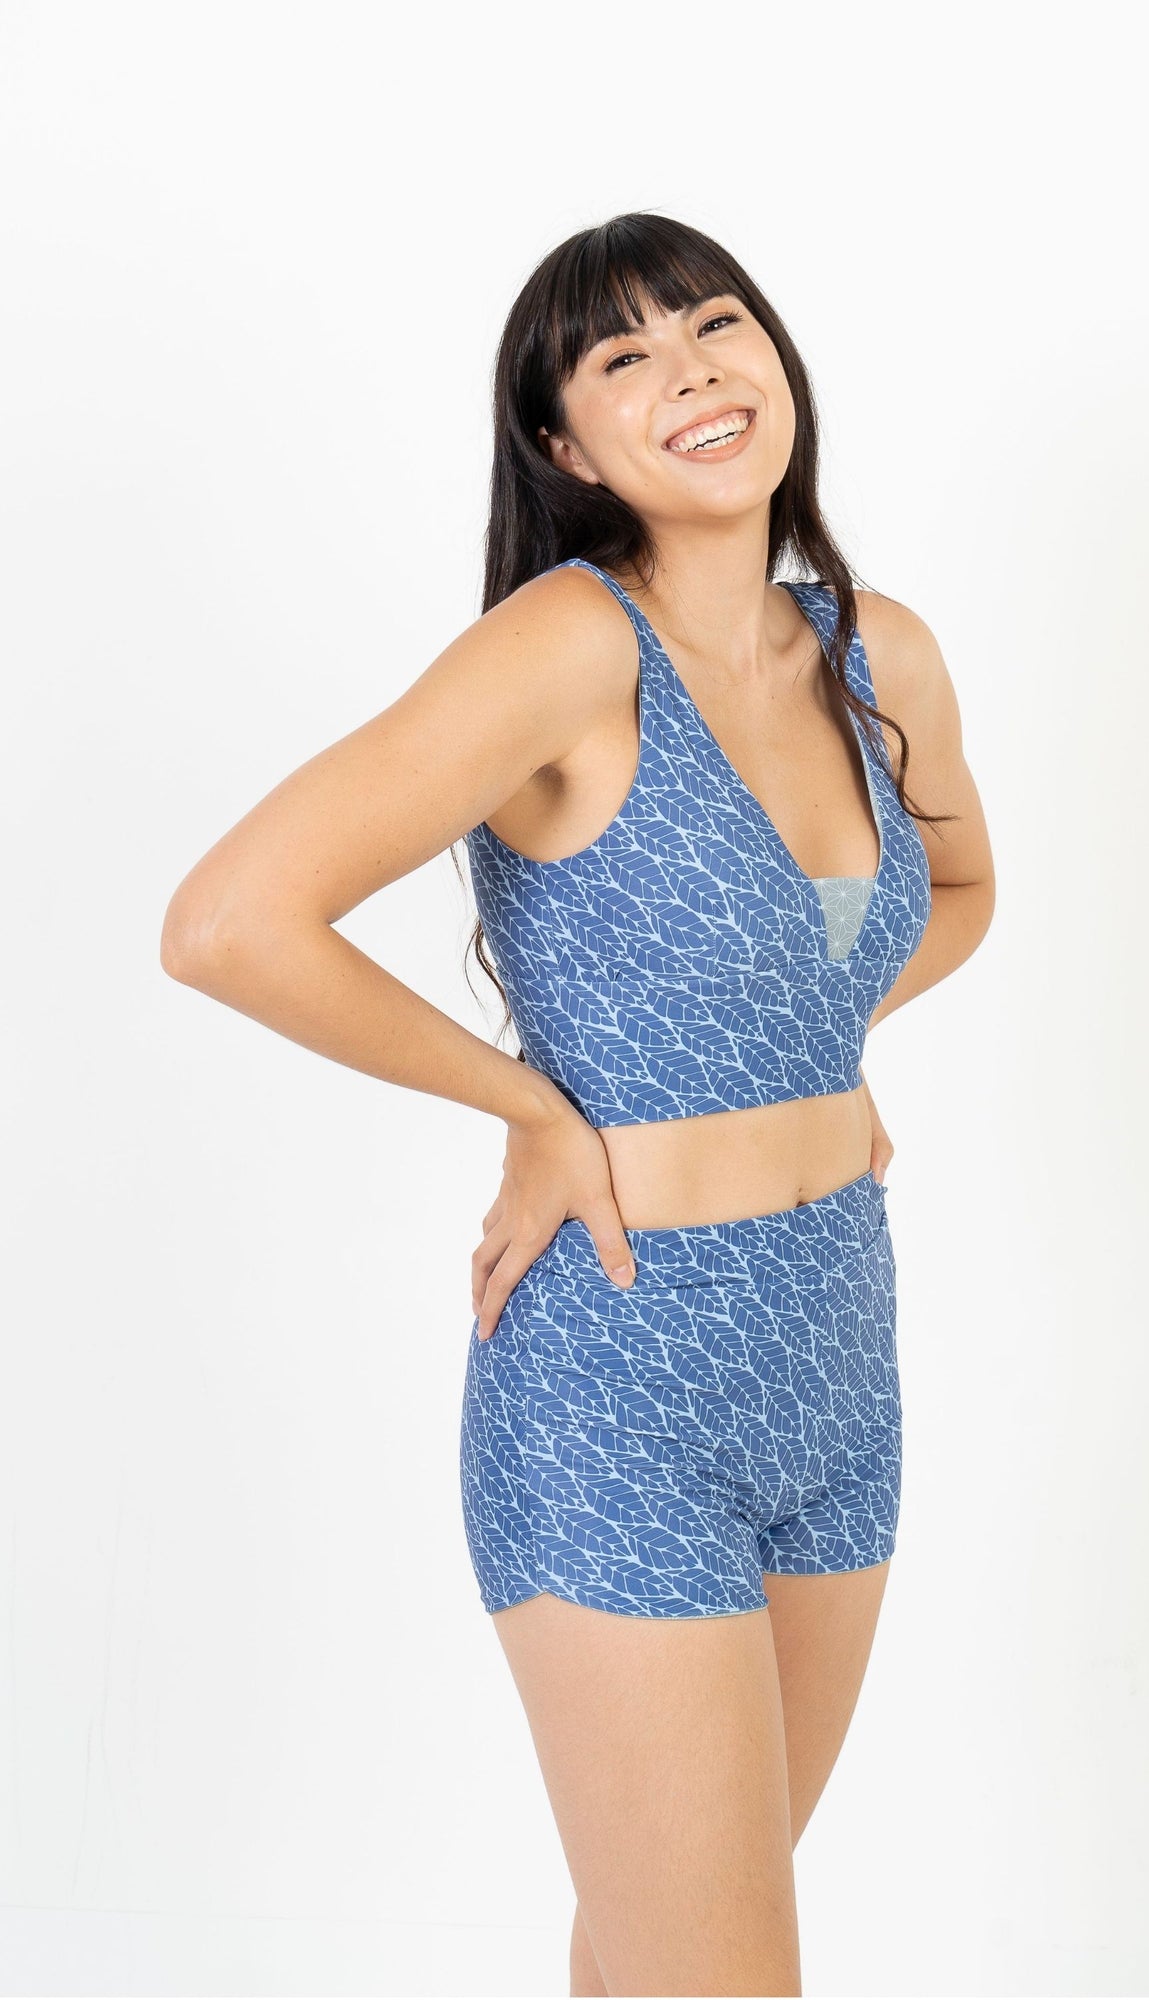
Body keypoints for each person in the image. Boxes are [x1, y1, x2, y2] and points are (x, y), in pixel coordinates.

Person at [162, 211, 996, 1998]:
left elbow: (961, 892)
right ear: (565, 445)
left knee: (656, 1953)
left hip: (839, 1357)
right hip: (620, 1381)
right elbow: (231, 923)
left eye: (713, 325)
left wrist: (796, 1042)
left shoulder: (882, 657)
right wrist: (532, 1107)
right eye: (623, 358)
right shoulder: (566, 645)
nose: (690, 371)